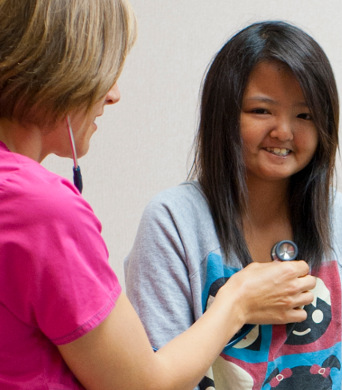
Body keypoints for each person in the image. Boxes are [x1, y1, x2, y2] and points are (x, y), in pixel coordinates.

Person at [0, 3, 318, 389]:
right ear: (63, 69)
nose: (113, 94)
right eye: (104, 70)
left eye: (305, 115)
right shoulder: (44, 211)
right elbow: (141, 385)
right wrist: (238, 301)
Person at [125, 21, 342, 389]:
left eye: (305, 115)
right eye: (261, 111)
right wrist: (236, 305)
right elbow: (153, 378)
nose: (283, 131)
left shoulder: (341, 220)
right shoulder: (173, 222)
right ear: (223, 114)